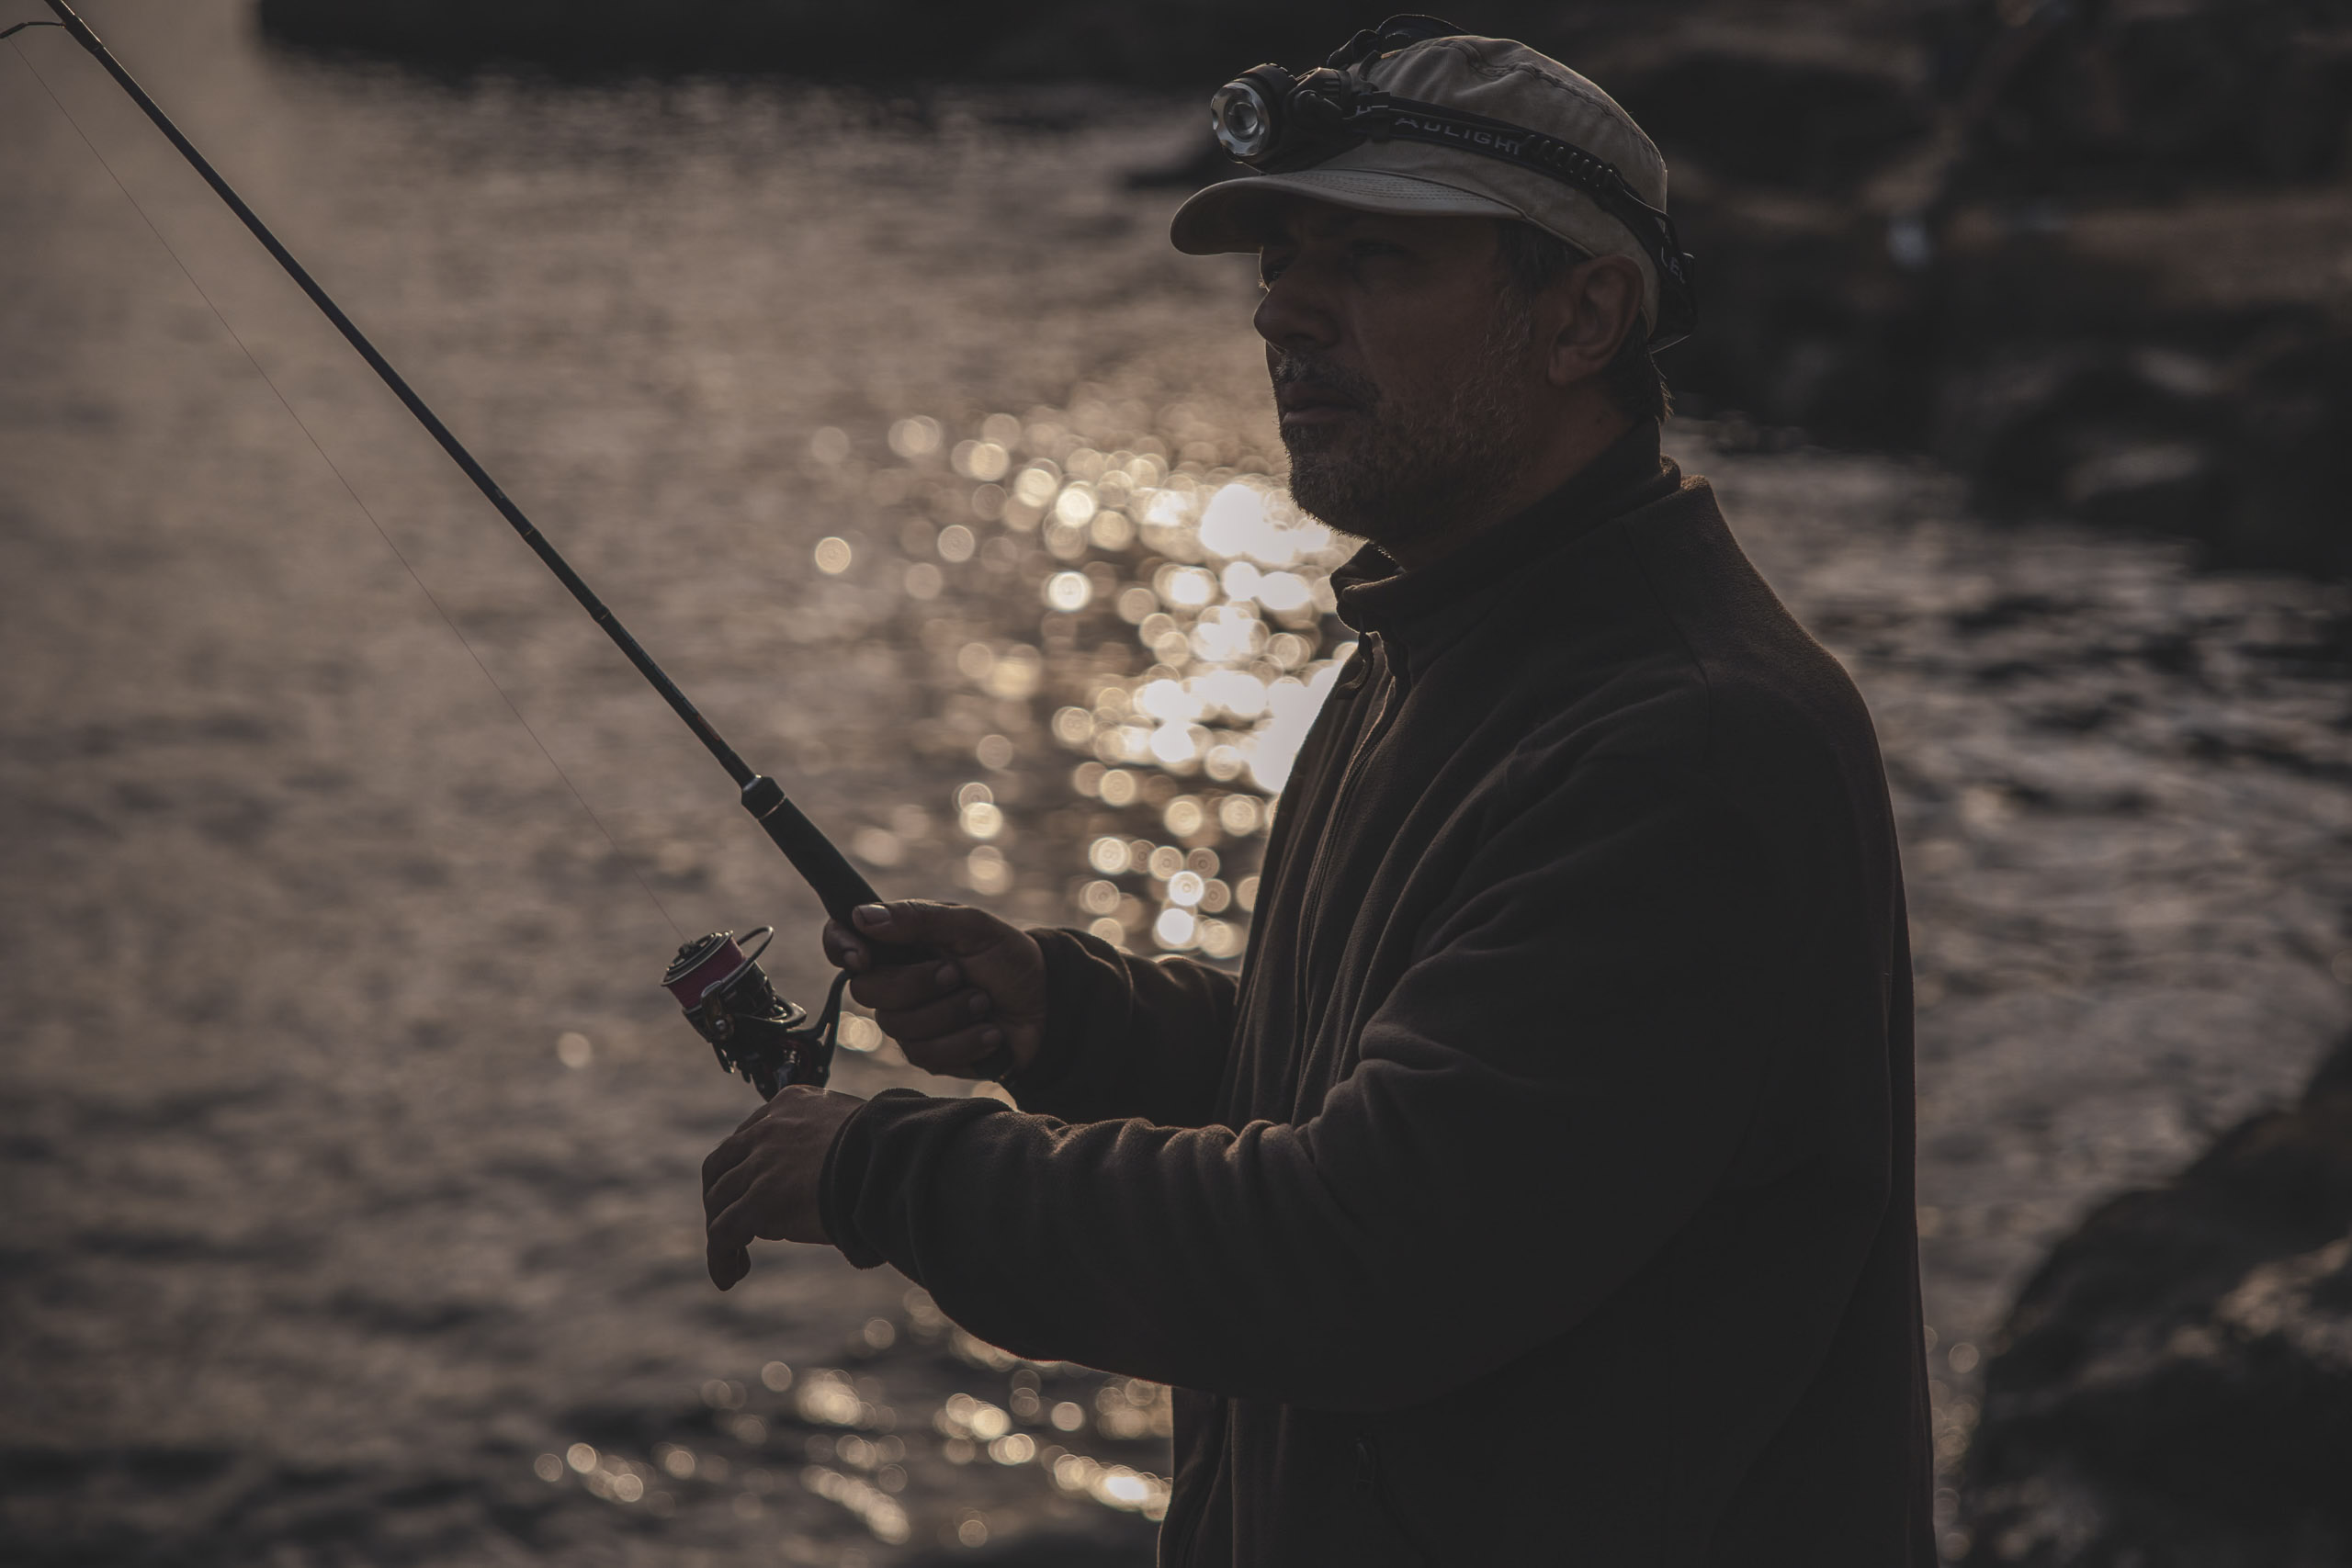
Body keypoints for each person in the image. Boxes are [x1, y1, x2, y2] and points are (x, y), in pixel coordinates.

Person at [702, 18, 1934, 1563]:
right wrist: (1071, 1019)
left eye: (1373, 258)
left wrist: (887, 1170)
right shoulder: (1422, 645)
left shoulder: (1692, 747)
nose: (1283, 310)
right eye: (1282, 259)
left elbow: (1372, 1253)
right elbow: (1394, 1093)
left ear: (1583, 316)